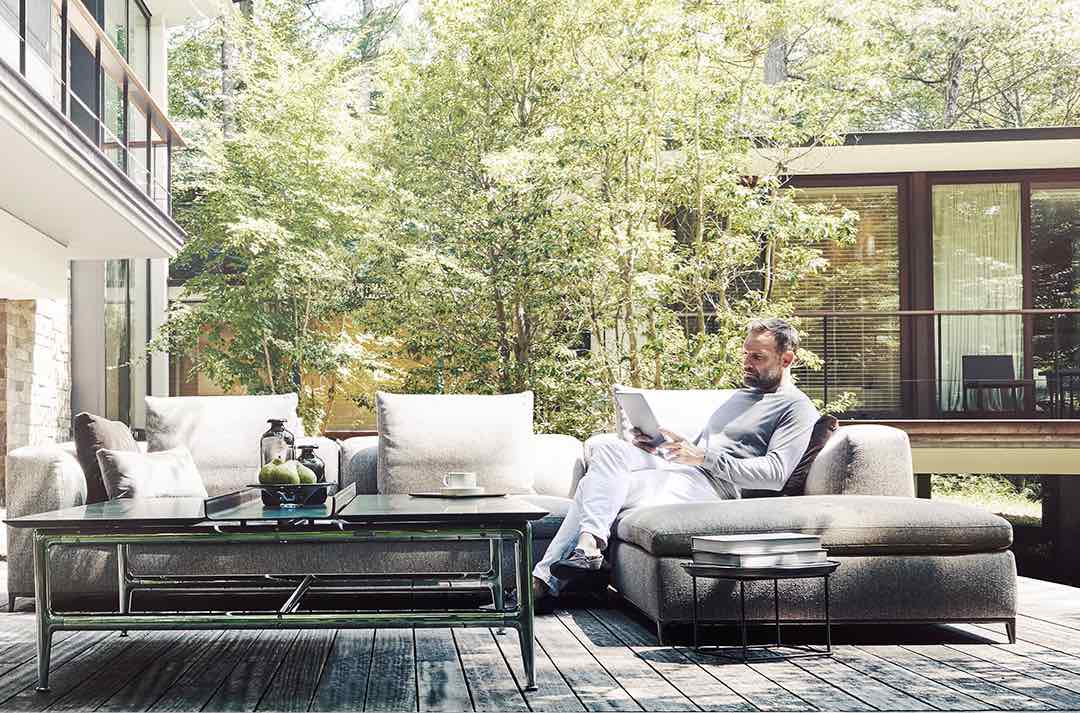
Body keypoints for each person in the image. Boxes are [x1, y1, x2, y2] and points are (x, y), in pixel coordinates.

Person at [532, 317, 820, 600]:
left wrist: (703, 457)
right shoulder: (743, 396)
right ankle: (585, 551)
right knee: (610, 449)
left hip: (717, 489)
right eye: (745, 354)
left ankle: (548, 578)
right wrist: (661, 446)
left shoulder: (796, 407)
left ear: (786, 359)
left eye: (758, 357)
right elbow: (706, 448)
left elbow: (774, 474)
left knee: (590, 489)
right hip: (689, 473)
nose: (747, 362)